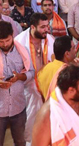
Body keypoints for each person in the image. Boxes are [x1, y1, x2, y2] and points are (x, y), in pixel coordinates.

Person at [14, 13, 55, 144]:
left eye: (47, 26)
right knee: (30, 119)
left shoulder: (50, 39)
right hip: (28, 88)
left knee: (49, 118)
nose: (46, 30)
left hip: (47, 86)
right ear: (32, 27)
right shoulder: (19, 41)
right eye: (42, 27)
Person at [37, 36, 75, 101]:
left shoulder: (43, 69)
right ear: (67, 53)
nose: (76, 50)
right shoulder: (69, 73)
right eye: (74, 48)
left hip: (47, 108)